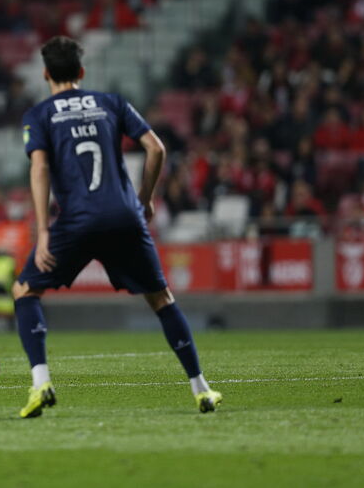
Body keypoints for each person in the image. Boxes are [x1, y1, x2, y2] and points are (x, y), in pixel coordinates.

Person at [13, 36, 223, 418]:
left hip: (77, 219)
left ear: (45, 74)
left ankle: (41, 382)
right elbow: (156, 148)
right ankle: (201, 389)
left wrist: (43, 232)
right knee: (161, 299)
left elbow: (39, 168)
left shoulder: (40, 115)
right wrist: (144, 198)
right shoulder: (111, 102)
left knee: (25, 291)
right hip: (125, 216)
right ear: (82, 72)